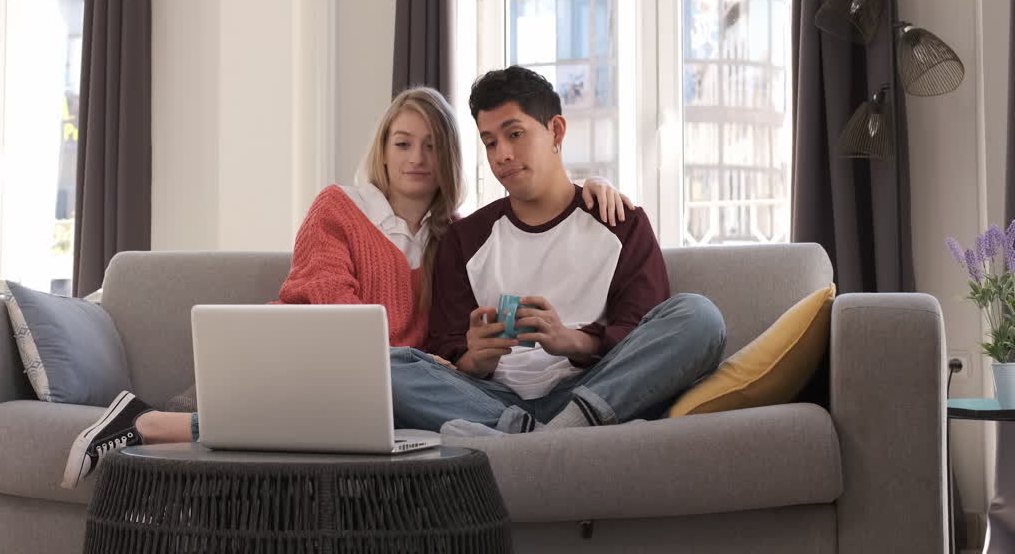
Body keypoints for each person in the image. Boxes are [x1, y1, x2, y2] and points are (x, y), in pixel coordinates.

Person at [60, 86, 635, 488]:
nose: (417, 158)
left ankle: (149, 422)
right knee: (370, 380)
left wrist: (592, 184)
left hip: (396, 388)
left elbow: (443, 349)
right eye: (403, 142)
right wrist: (429, 366)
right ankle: (155, 422)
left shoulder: (456, 239)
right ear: (382, 149)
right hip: (308, 366)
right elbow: (333, 315)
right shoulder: (340, 207)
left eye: (432, 145)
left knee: (399, 388)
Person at [388, 66, 727, 436]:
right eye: (490, 142)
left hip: (592, 388)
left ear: (556, 131)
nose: (502, 154)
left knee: (700, 316)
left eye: (515, 134)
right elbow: (447, 350)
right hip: (493, 398)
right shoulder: (463, 239)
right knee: (387, 367)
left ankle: (553, 432)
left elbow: (640, 329)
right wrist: (475, 358)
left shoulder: (620, 222)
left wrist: (571, 341)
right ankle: (538, 436)